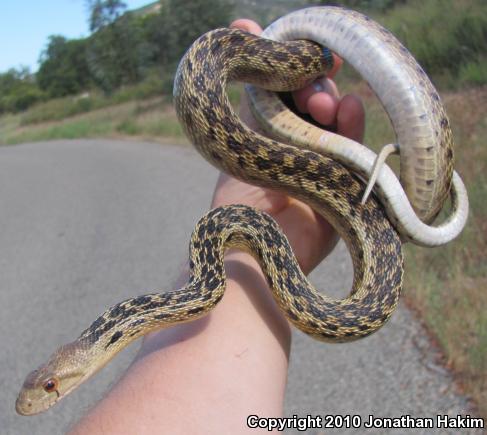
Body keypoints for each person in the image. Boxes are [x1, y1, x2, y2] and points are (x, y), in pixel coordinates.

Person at [69, 18, 365, 435]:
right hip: (256, 221)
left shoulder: (215, 59)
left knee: (314, 58)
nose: (48, 394)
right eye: (50, 386)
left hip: (244, 72)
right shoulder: (129, 319)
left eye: (51, 386)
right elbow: (207, 293)